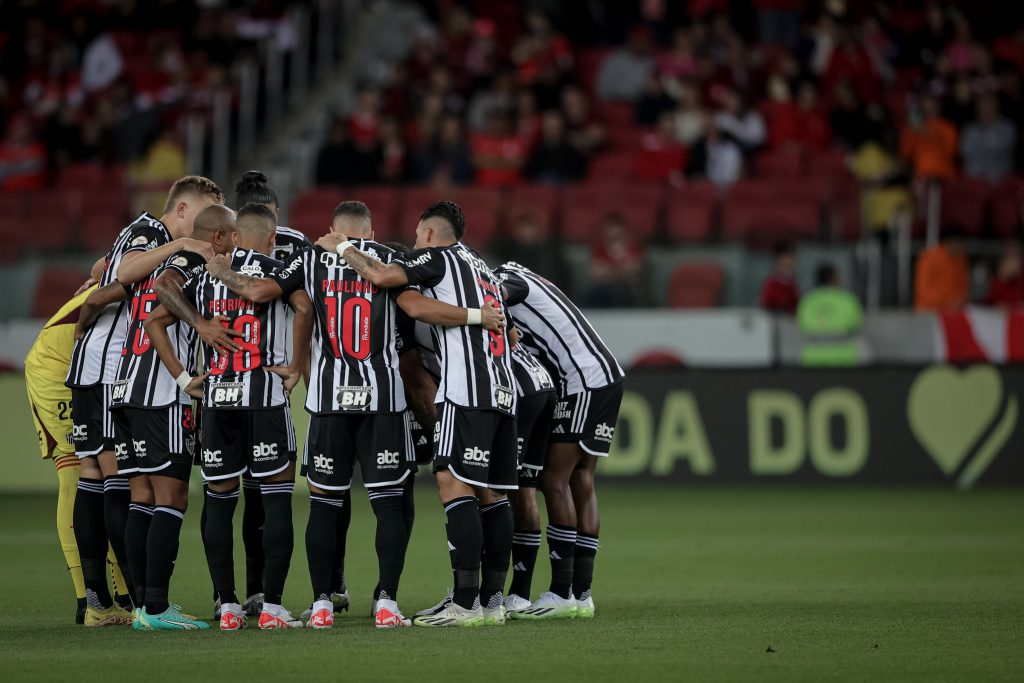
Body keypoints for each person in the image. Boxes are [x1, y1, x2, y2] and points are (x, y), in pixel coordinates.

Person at [205, 201, 504, 629]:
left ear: (332, 230)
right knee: (389, 505)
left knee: (325, 504)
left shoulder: (309, 258)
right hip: (382, 400)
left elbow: (258, 292)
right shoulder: (393, 258)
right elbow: (415, 310)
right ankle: (386, 602)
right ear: (371, 230)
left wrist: (223, 274)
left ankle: (322, 604)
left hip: (327, 401)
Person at [320, 201, 517, 627]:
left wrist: (341, 247)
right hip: (504, 389)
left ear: (429, 234)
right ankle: (493, 601)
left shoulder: (438, 256)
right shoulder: (481, 267)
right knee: (492, 494)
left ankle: (465, 603)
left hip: (468, 390)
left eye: (415, 237)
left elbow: (386, 278)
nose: (412, 245)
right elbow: (511, 331)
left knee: (452, 484)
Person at [146, 203, 312, 630]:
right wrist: (296, 364)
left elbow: (153, 321)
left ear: (235, 236)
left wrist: (185, 379)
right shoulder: (276, 269)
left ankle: (226, 606)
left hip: (218, 401)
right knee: (276, 500)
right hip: (264, 397)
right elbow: (306, 309)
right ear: (271, 237)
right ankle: (272, 607)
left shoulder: (201, 280)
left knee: (219, 503)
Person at [67, 175, 223, 626]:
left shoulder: (147, 238)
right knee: (128, 485)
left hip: (114, 374)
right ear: (180, 209)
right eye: (201, 216)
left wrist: (91, 302)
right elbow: (126, 272)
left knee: (105, 481)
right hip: (124, 372)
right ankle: (142, 602)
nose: (204, 229)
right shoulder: (154, 234)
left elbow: (107, 273)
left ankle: (116, 602)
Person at [105, 204, 236, 630]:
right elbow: (163, 289)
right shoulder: (195, 257)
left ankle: (144, 607)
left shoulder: (155, 254)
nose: (236, 243)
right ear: (217, 237)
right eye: (232, 235)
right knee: (172, 499)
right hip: (158, 393)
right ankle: (157, 608)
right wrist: (196, 334)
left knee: (141, 498)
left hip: (124, 387)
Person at [495, 260, 625, 619]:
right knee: (581, 479)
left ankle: (562, 592)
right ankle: (581, 594)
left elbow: (503, 292)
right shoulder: (529, 276)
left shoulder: (506, 278)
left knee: (554, 479)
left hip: (582, 382)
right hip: (605, 376)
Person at [25, 276, 133, 625]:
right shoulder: (155, 256)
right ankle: (88, 599)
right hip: (57, 366)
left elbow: (103, 264)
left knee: (116, 474)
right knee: (79, 473)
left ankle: (123, 597)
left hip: (95, 369)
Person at [503, 342, 556, 615]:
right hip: (541, 382)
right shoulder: (489, 299)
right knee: (525, 490)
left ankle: (485, 595)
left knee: (493, 490)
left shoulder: (442, 308)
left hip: (518, 391)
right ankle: (519, 594)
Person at [796, 264, 865, 367]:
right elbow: (857, 325)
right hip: (843, 358)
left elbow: (802, 325)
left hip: (813, 359)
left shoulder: (807, 301)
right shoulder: (848, 299)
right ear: (834, 278)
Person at [585, 212, 646, 308]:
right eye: (610, 229)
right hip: (603, 289)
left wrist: (608, 271)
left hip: (627, 290)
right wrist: (621, 272)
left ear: (623, 230)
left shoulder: (633, 248)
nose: (613, 232)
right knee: (590, 294)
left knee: (618, 293)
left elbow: (636, 271)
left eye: (616, 229)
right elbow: (595, 274)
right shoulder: (600, 250)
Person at [960, 95, 1018, 183]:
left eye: (989, 104)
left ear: (996, 106)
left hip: (1000, 178)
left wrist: (980, 148)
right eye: (982, 105)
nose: (985, 107)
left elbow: (1000, 151)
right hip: (973, 177)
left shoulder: (1007, 127)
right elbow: (965, 151)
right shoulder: (970, 129)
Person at [915, 228, 969, 312]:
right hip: (929, 311)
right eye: (956, 243)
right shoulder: (929, 258)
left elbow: (963, 286)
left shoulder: (961, 259)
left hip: (954, 310)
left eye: (961, 244)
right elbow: (924, 292)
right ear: (947, 243)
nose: (959, 247)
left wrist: (959, 301)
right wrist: (948, 302)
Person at [524, 110, 586, 184]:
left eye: (556, 127)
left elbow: (579, 177)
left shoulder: (572, 151)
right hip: (542, 189)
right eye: (550, 127)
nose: (553, 131)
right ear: (544, 128)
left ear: (562, 128)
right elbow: (529, 177)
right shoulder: (535, 151)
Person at [596, 26, 654, 102]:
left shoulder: (650, 61)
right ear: (631, 40)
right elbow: (602, 90)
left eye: (645, 42)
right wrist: (642, 89)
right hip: (613, 102)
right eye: (639, 40)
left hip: (640, 104)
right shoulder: (615, 59)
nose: (642, 45)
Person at [759, 242, 800, 313]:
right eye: (789, 257)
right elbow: (767, 305)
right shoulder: (773, 283)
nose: (793, 260)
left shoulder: (791, 281)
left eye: (793, 257)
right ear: (780, 259)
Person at [984, 241, 1024, 307]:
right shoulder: (997, 282)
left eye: (1015, 257)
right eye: (1009, 257)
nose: (1012, 263)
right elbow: (987, 304)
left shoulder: (1021, 281)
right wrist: (1002, 279)